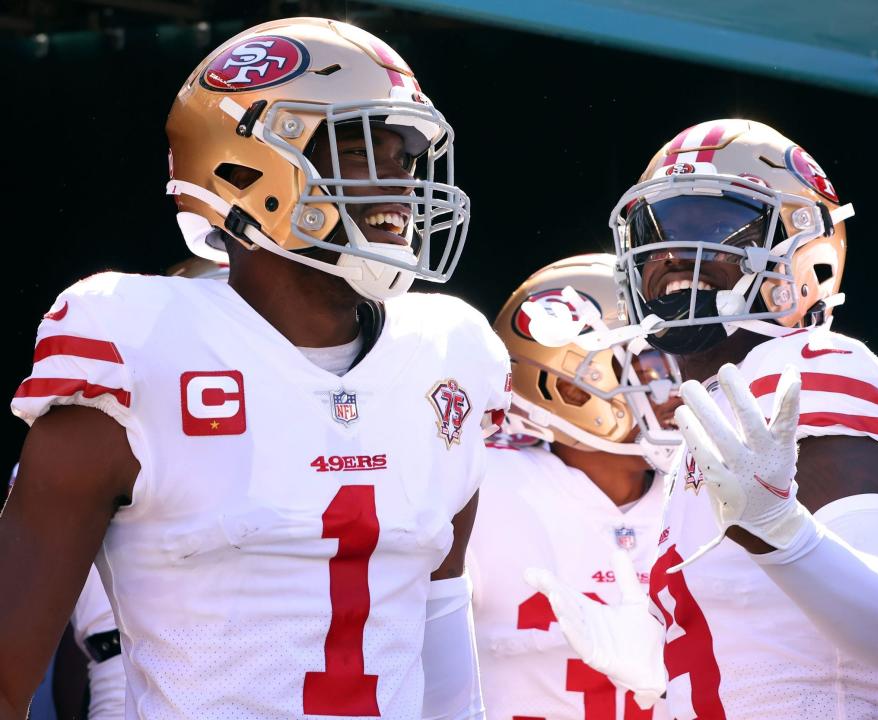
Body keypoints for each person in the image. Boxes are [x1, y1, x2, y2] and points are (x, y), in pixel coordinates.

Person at [0, 17, 510, 720]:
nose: (401, 182)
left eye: (407, 157)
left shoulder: (450, 354)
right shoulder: (137, 343)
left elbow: (441, 634)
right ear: (246, 169)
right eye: (364, 150)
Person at [528, 119, 878, 719]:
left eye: (709, 221)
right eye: (654, 226)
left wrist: (783, 531)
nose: (671, 250)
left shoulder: (817, 369)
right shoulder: (714, 411)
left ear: (799, 249)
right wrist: (661, 662)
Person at [467, 254, 680, 720]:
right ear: (572, 388)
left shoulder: (700, 493)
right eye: (650, 363)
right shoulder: (487, 489)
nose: (675, 384)